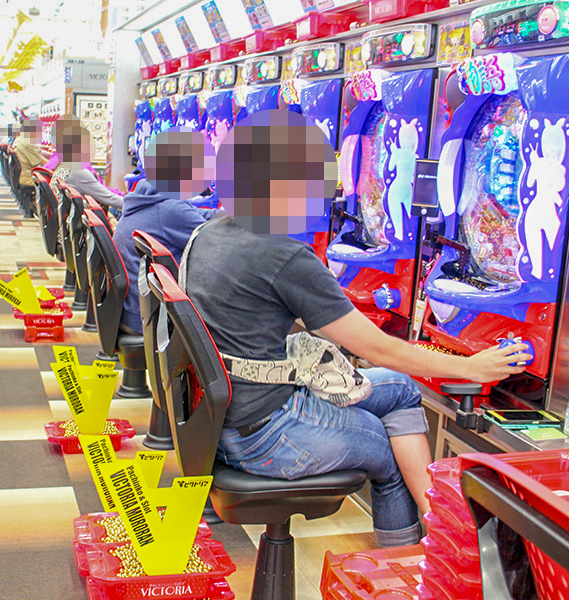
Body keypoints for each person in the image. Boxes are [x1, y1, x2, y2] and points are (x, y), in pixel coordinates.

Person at [181, 110, 533, 547]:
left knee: (401, 389)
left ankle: (439, 528)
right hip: (263, 434)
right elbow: (377, 349)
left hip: (215, 422)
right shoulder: (283, 255)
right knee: (388, 453)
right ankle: (410, 561)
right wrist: (472, 367)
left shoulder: (209, 234)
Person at [113, 128, 218, 335]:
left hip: (134, 310)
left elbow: (197, 215)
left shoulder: (150, 194)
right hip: (151, 319)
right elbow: (218, 245)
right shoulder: (170, 209)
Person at [49, 115, 124, 219]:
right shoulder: (78, 172)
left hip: (69, 220)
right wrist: (137, 204)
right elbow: (110, 199)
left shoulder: (64, 166)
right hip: (84, 220)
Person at [13, 117, 47, 218]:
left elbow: (37, 152)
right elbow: (44, 163)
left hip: (23, 174)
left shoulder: (22, 139)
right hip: (28, 177)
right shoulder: (28, 142)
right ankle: (45, 213)